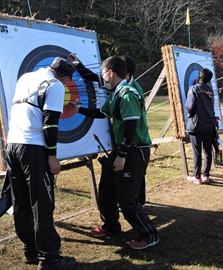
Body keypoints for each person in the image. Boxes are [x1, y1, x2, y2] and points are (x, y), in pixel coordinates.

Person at [70, 56, 159, 250]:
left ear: (111, 73)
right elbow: (103, 112)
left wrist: (122, 155)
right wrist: (79, 109)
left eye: (103, 73)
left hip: (133, 151)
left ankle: (149, 234)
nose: (102, 77)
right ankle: (111, 226)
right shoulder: (117, 92)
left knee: (126, 199)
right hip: (123, 150)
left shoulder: (127, 94)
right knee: (107, 192)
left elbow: (131, 126)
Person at [5, 57, 77, 269]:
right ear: (62, 76)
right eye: (66, 80)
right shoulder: (54, 85)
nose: (65, 84)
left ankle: (30, 250)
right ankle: (49, 259)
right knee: (42, 203)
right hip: (34, 149)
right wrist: (52, 156)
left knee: (21, 201)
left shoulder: (26, 77)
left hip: (13, 146)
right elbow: (50, 124)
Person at [120, 55, 146, 207]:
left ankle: (139, 204)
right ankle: (137, 203)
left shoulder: (132, 90)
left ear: (127, 74)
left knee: (136, 175)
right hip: (135, 140)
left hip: (136, 140)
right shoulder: (126, 84)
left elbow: (131, 124)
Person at [185, 68, 217, 184]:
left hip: (197, 124)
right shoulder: (210, 90)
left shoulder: (193, 88)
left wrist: (190, 114)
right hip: (209, 124)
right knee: (208, 150)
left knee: (197, 152)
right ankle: (206, 175)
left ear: (199, 77)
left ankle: (197, 177)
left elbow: (189, 105)